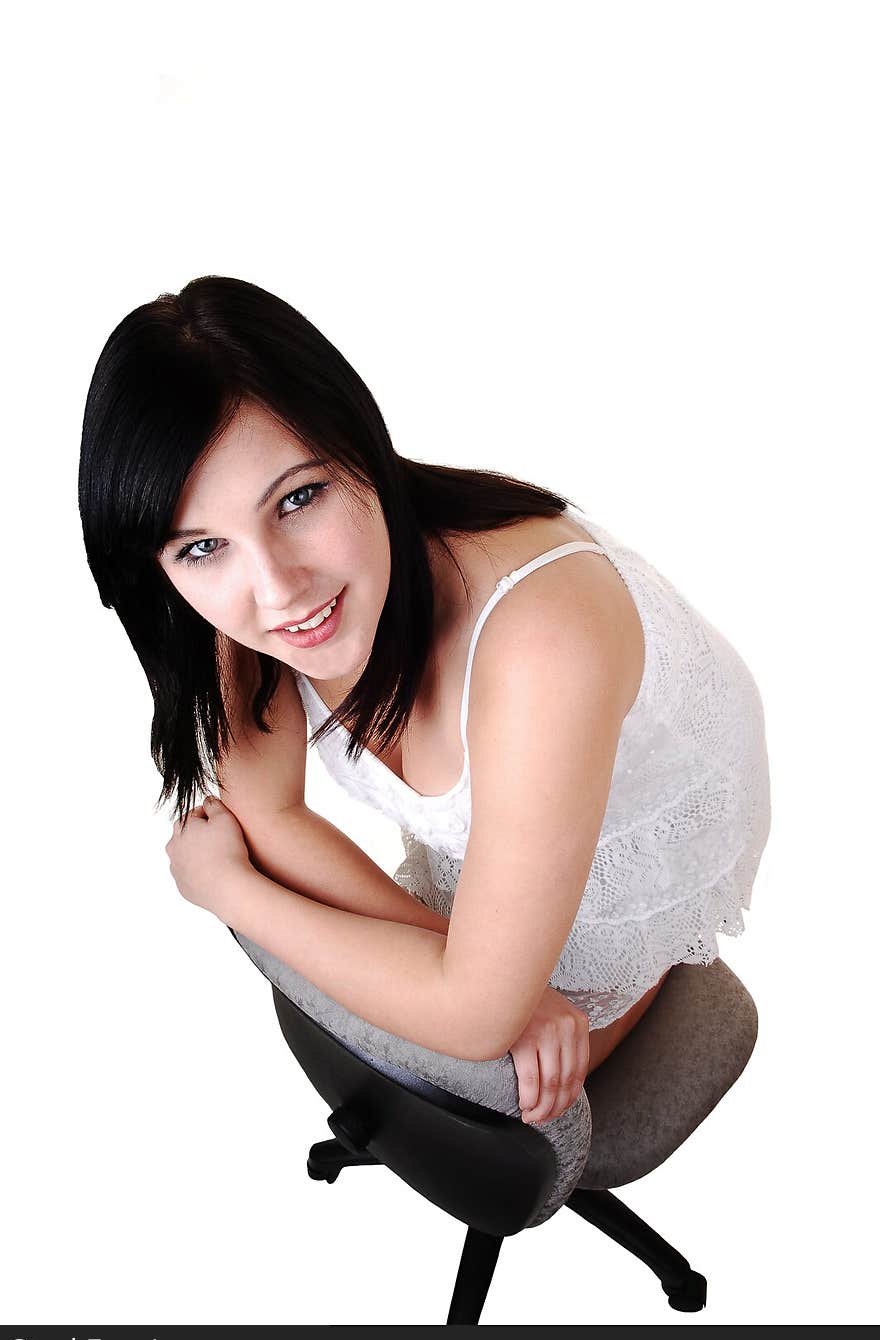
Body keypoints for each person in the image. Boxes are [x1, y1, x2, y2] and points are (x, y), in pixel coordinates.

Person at [78, 274, 772, 1128]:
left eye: (299, 497)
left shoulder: (543, 639)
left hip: (637, 831)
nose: (278, 590)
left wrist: (229, 891)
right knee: (478, 1013)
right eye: (202, 547)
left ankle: (630, 968)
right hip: (510, 827)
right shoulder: (241, 602)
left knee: (509, 1088)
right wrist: (471, 973)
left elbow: (476, 1019)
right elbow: (270, 815)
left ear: (359, 442)